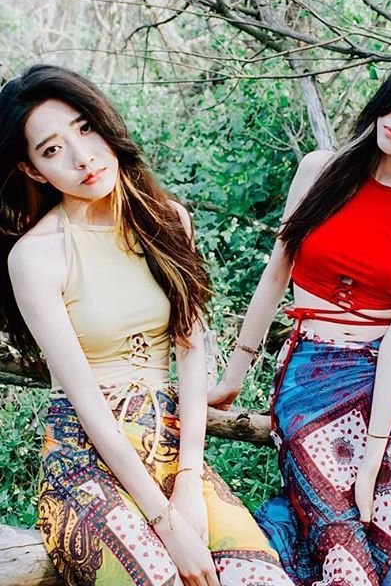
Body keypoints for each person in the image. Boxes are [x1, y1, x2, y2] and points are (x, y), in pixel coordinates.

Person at [207, 44, 391, 586]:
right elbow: (275, 277)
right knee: (340, 542)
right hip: (310, 374)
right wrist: (234, 374)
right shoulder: (319, 170)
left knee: (387, 525)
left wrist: (374, 456)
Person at [0, 65, 295, 586]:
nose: (82, 156)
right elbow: (85, 399)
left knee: (261, 578)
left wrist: (189, 480)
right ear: (33, 171)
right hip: (84, 463)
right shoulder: (37, 256)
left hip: (173, 453)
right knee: (160, 578)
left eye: (85, 128)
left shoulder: (169, 220)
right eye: (52, 150)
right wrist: (165, 522)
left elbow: (191, 350)